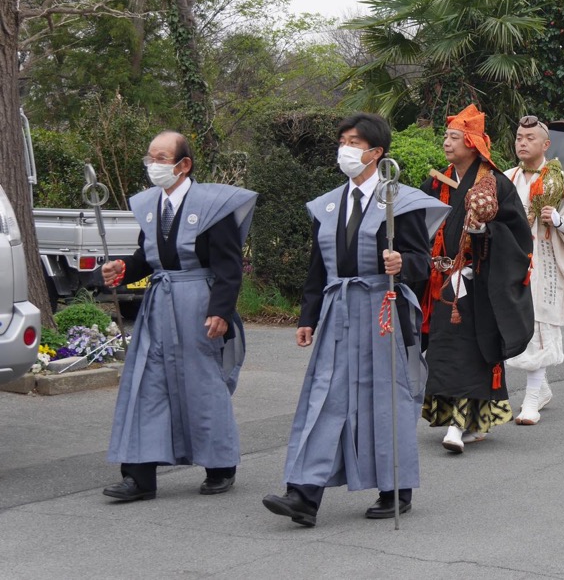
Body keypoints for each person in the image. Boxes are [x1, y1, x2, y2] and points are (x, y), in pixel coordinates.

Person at [262, 113, 449, 528]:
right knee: (323, 398)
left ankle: (395, 489)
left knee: (385, 400)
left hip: (383, 308)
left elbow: (422, 262)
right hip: (338, 310)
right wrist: (307, 316)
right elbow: (318, 268)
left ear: (376, 152)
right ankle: (303, 496)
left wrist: (403, 262)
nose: (344, 148)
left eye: (354, 141)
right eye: (342, 139)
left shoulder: (402, 200)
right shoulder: (326, 205)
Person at [101, 131, 257, 502]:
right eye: (150, 158)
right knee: (146, 384)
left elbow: (229, 266)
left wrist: (220, 311)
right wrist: (124, 267)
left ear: (183, 165)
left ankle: (220, 466)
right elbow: (148, 257)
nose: (153, 166)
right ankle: (139, 476)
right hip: (158, 305)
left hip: (198, 304)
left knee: (203, 384)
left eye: (161, 158)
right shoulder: (150, 205)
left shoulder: (214, 205)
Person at [419, 104, 534, 453]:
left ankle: (458, 425)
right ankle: (464, 421)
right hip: (441, 283)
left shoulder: (495, 184)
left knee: (471, 352)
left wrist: (484, 231)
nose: (446, 143)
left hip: (479, 282)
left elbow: (518, 237)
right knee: (443, 351)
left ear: (471, 142)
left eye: (454, 137)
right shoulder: (437, 182)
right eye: (445, 136)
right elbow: (417, 227)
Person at [504, 115, 564, 424]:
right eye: (519, 137)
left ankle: (531, 398)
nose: (522, 142)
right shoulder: (507, 176)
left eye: (529, 138)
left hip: (545, 258)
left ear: (545, 144)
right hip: (512, 261)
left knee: (538, 324)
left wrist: (559, 220)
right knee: (514, 325)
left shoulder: (560, 179)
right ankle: (542, 388)